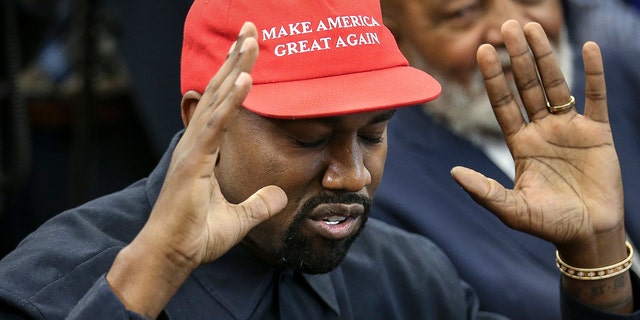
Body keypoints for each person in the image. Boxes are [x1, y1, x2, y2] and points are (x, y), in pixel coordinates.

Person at [0, 0, 637, 318]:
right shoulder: (54, 279)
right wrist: (152, 273)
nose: (352, 174)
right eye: (307, 138)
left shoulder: (405, 276)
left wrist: (596, 248)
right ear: (204, 121)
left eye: (374, 133)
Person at [372, 0, 640, 319]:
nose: (511, 28)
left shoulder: (625, 79)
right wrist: (593, 258)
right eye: (464, 12)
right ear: (395, 34)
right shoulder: (378, 183)